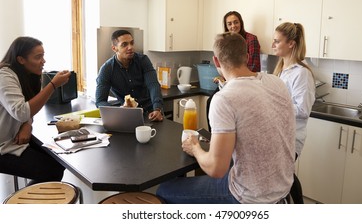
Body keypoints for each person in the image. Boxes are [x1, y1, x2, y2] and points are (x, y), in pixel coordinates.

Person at [156, 32, 296, 204]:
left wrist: (195, 148)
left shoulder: (224, 99)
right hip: (283, 189)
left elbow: (216, 169)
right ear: (246, 56)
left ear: (216, 62)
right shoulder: (276, 82)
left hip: (249, 197)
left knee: (164, 190)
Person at [0, 36, 71, 184]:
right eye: (38, 57)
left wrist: (27, 124)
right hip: (3, 145)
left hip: (13, 138)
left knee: (59, 160)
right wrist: (52, 85)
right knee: (52, 170)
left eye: (43, 55)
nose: (43, 61)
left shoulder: (28, 75)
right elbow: (21, 112)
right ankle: (24, 202)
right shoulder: (4, 76)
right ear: (21, 60)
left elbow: (28, 111)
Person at [272, 22, 316, 204]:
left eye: (277, 41)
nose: (273, 45)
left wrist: (274, 104)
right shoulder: (282, 70)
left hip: (292, 137)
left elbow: (303, 110)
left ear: (291, 43)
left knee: (285, 176)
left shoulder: (301, 74)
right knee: (285, 176)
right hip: (280, 134)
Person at [95, 29, 164, 122]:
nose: (130, 47)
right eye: (124, 45)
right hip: (126, 115)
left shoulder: (143, 60)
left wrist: (157, 108)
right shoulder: (106, 69)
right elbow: (100, 101)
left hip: (151, 111)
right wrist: (118, 111)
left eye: (132, 43)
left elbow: (153, 85)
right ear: (114, 48)